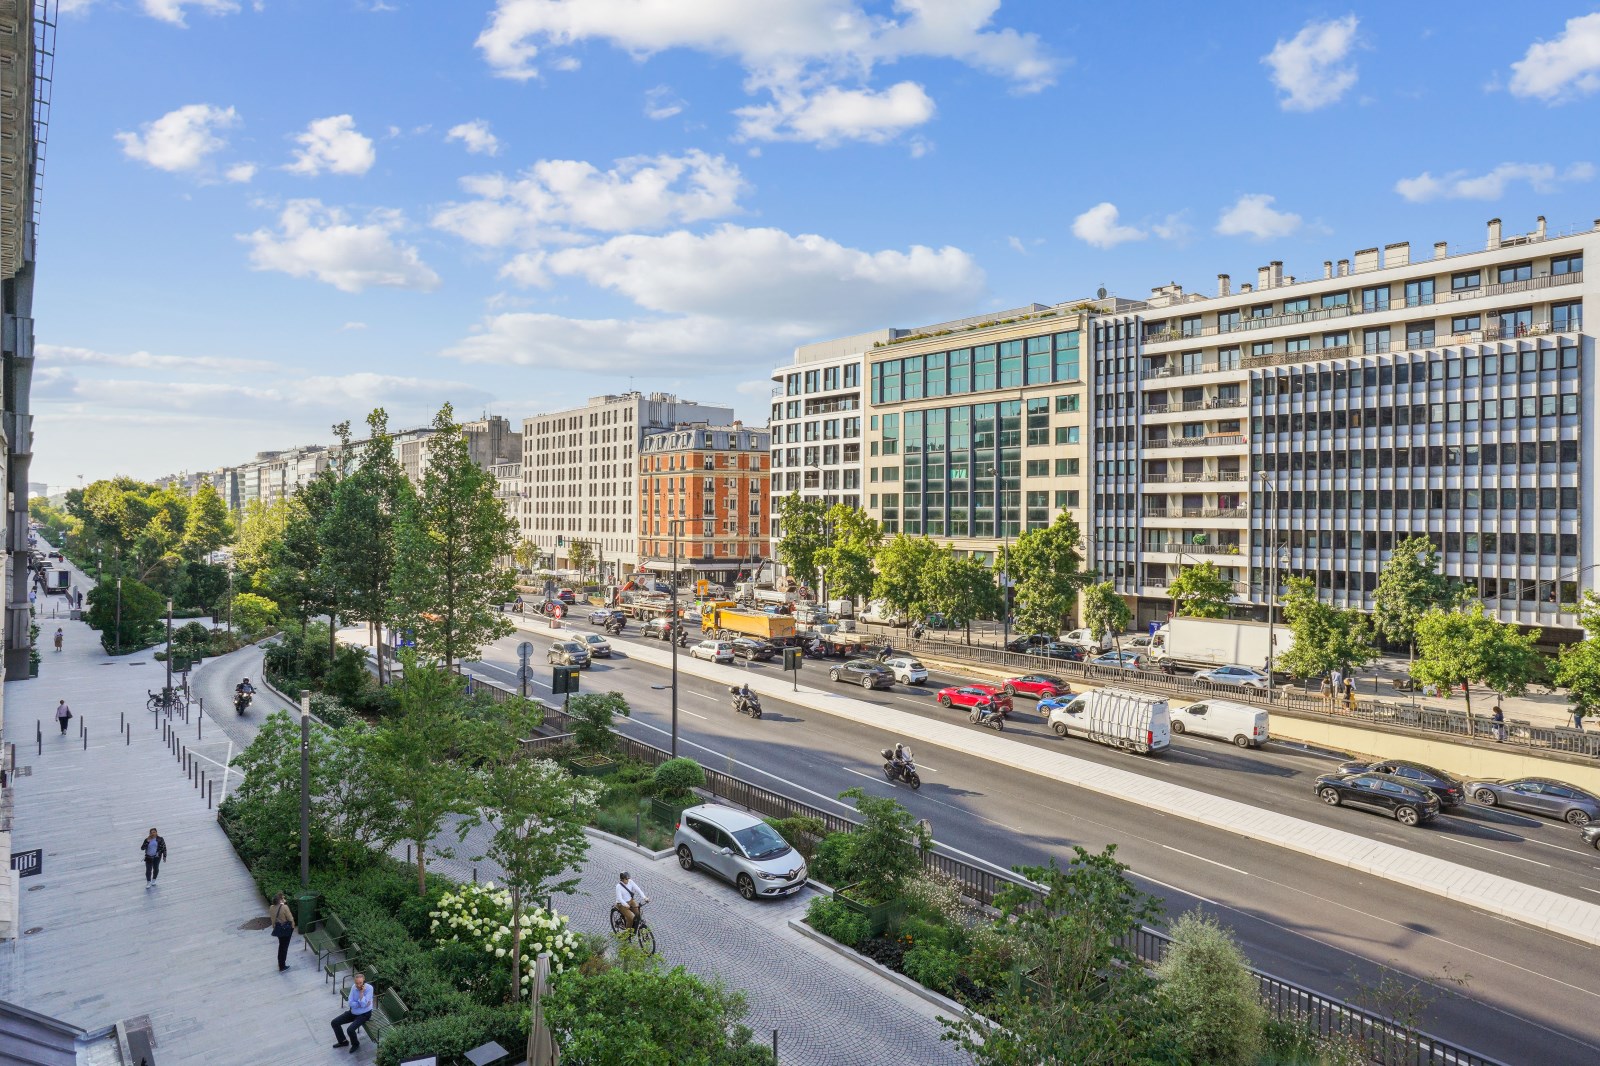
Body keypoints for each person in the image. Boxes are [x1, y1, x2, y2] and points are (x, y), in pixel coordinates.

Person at [330, 972, 374, 1053]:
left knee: (350, 1029)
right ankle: (343, 1041)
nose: (358, 985)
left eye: (360, 983)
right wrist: (360, 1004)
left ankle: (355, 1044)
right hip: (353, 1012)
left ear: (364, 981)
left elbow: (364, 1004)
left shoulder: (369, 988)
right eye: (357, 983)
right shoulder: (354, 987)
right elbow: (350, 1002)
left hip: (364, 1014)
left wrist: (361, 993)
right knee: (334, 1022)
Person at [268, 892, 298, 970]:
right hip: (285, 930)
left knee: (281, 945)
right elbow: (290, 919)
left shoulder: (271, 907)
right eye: (283, 898)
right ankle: (282, 965)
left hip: (277, 929)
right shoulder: (284, 907)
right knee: (284, 947)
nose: (284, 899)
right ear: (280, 900)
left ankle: (280, 963)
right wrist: (292, 927)